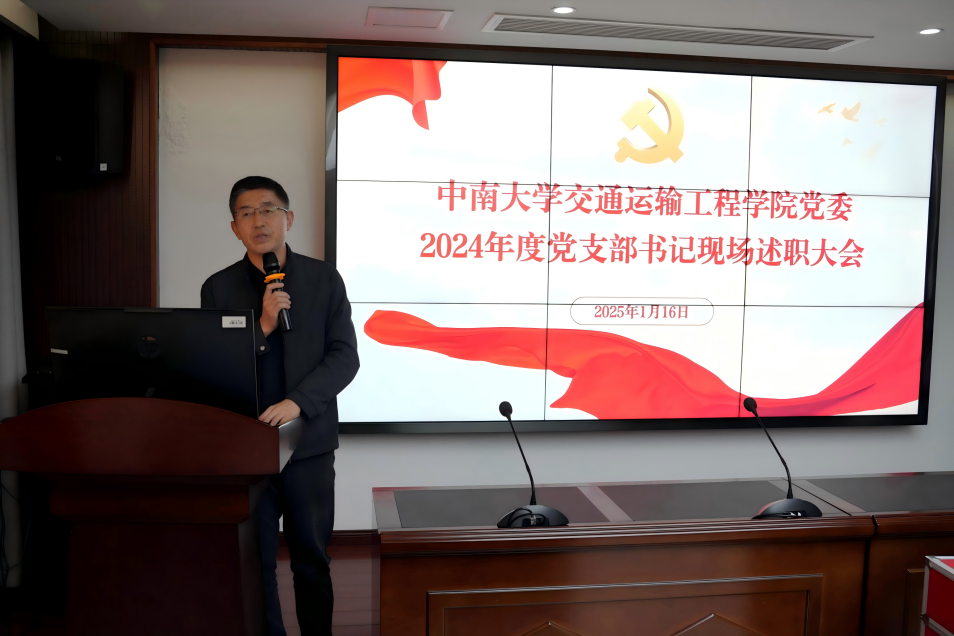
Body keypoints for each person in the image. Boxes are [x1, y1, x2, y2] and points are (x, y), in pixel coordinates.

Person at [201, 176, 359, 635]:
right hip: (247, 451)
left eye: (268, 209)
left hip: (309, 446)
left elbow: (344, 356)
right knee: (256, 564)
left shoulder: (324, 279)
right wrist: (263, 328)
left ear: (288, 218)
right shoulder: (218, 288)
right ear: (235, 228)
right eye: (246, 213)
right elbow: (210, 366)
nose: (259, 220)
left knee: (312, 560)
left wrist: (298, 402)